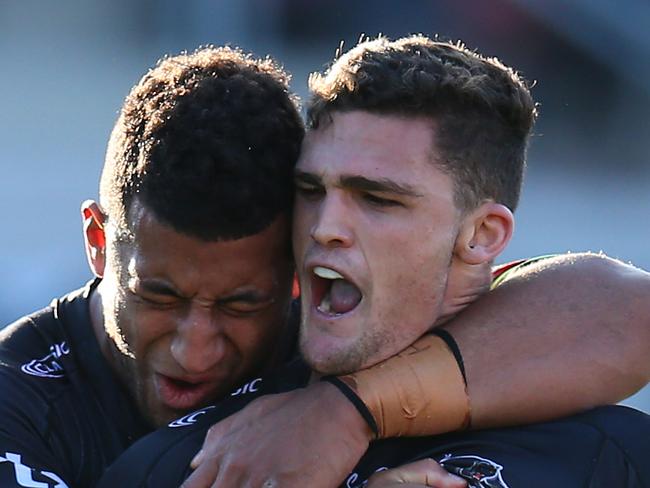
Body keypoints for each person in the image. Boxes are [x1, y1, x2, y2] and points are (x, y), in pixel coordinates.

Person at [0, 44, 648, 488]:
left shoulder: (601, 441)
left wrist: (348, 411)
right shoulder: (61, 424)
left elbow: (626, 309)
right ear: (97, 240)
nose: (196, 352)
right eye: (159, 297)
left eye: (241, 303)